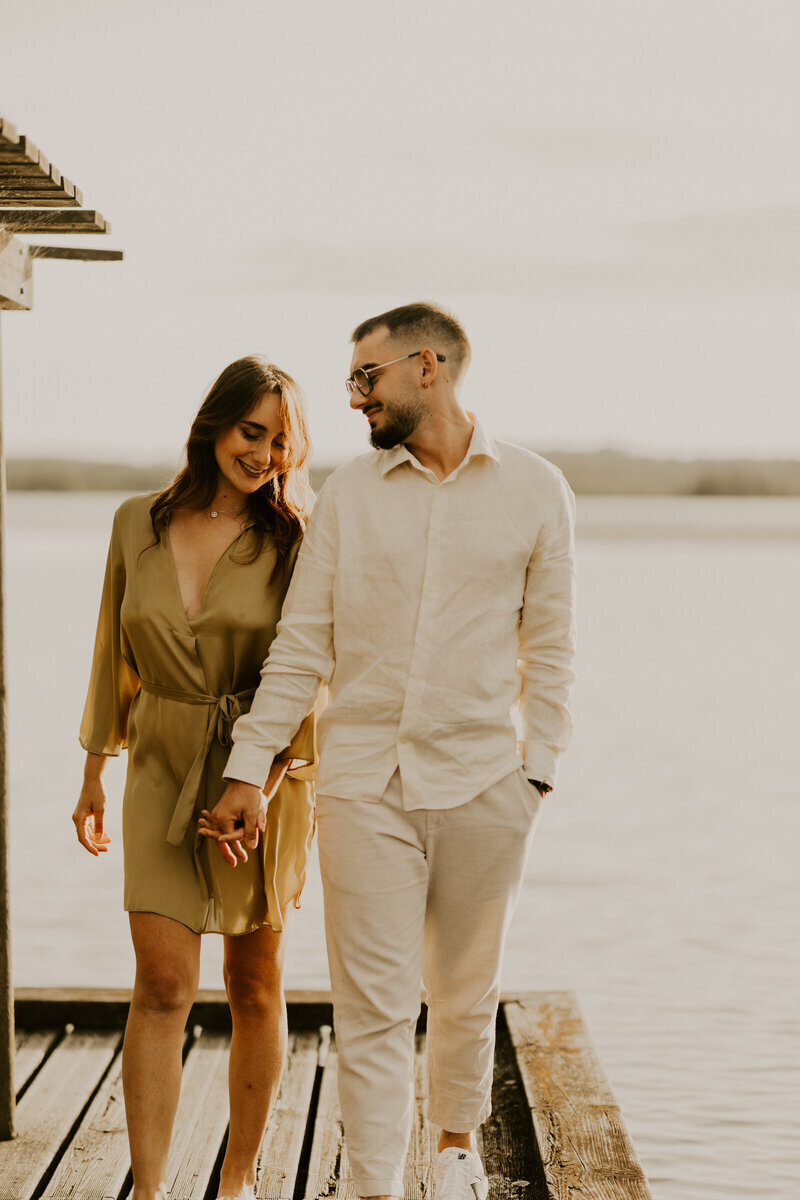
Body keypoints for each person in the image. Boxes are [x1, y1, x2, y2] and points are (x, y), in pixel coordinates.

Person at [204, 303, 577, 1200]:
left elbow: (553, 646)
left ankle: (454, 1154)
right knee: (369, 1010)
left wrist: (539, 771)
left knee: (462, 992)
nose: (353, 397)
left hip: (488, 780)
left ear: (426, 367)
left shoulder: (536, 489)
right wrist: (248, 767)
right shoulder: (347, 497)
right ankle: (375, 1185)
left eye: (365, 377)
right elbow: (302, 647)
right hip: (363, 783)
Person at [72, 356, 316, 1200]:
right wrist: (96, 767)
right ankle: (148, 1190)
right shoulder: (133, 522)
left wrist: (271, 782)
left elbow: (312, 670)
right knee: (163, 980)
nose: (264, 455)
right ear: (214, 422)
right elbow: (114, 650)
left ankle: (240, 1179)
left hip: (262, 776)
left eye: (282, 442)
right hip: (159, 763)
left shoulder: (297, 540)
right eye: (253, 433)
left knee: (254, 982)